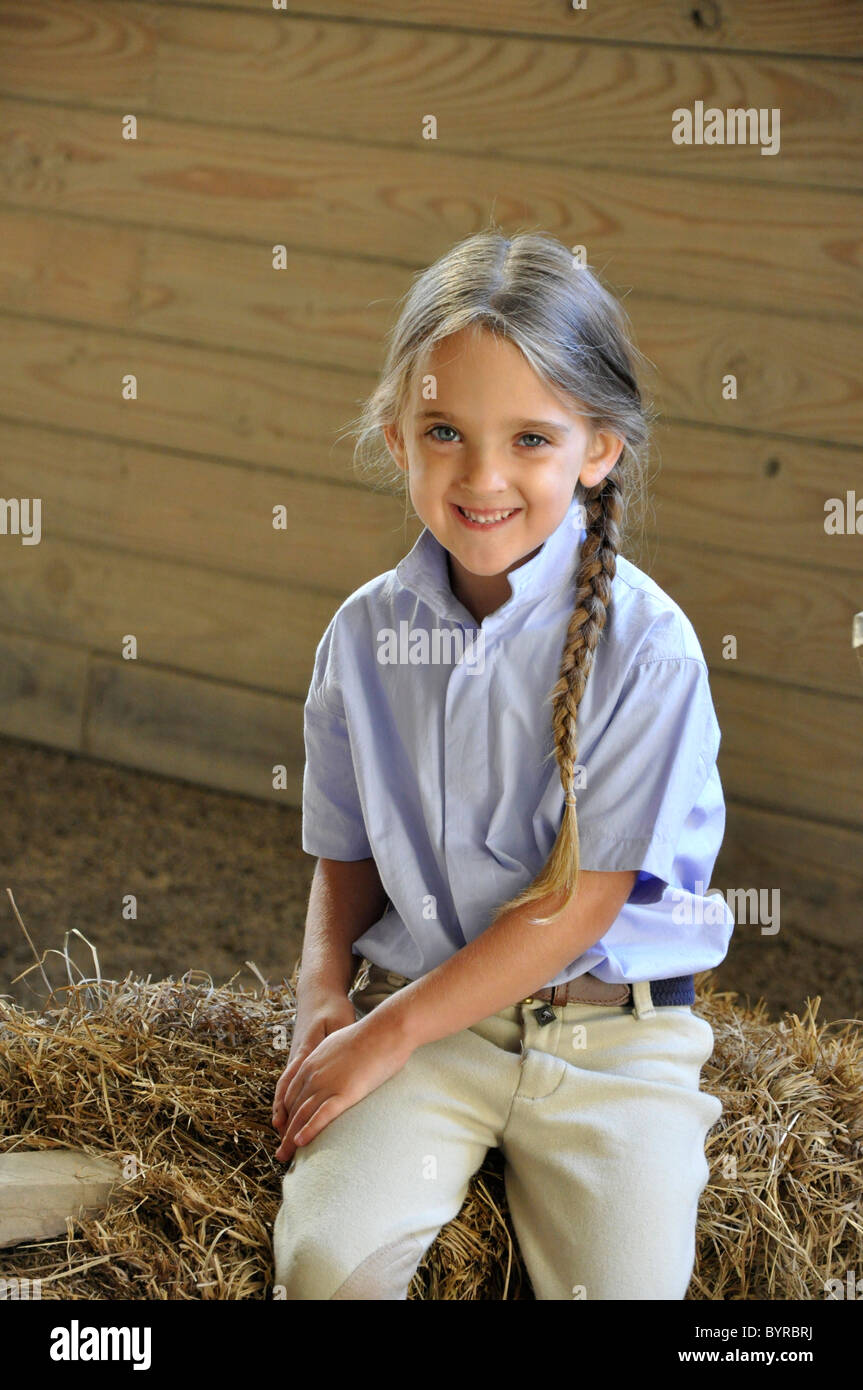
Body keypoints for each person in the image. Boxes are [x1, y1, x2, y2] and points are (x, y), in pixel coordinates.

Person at [270, 225, 734, 1301]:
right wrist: (321, 996)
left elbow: (577, 905)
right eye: (444, 430)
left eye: (530, 438)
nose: (482, 476)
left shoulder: (649, 649)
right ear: (395, 436)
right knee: (323, 1264)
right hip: (440, 1020)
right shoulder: (359, 637)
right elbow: (344, 851)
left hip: (616, 1045)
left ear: (598, 448)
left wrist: (386, 1031)